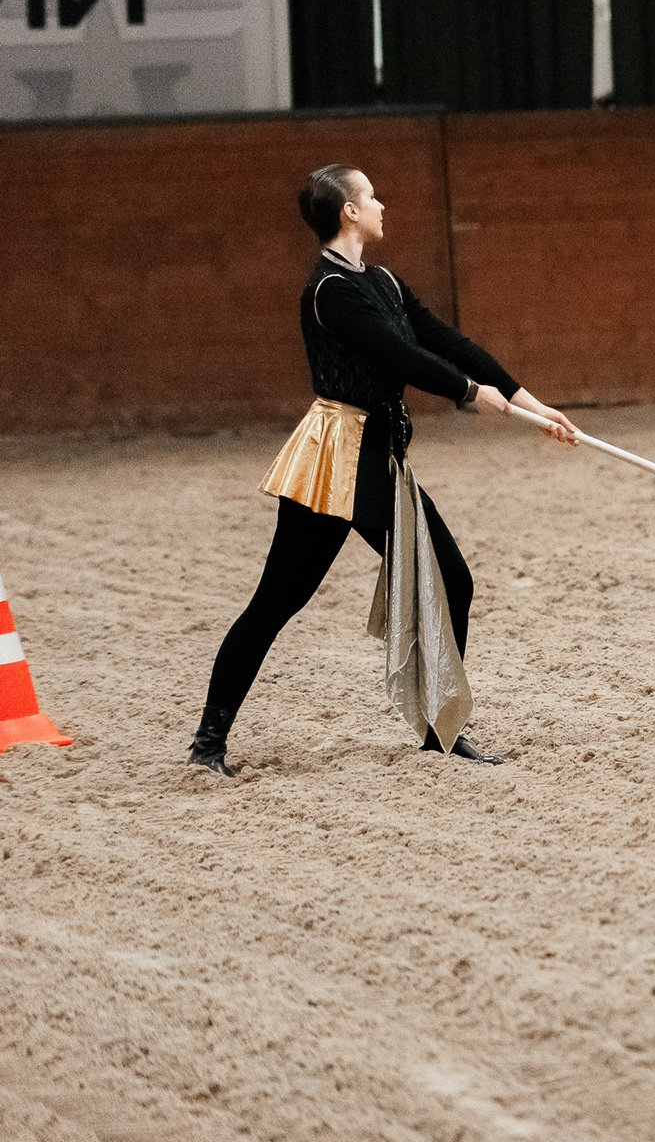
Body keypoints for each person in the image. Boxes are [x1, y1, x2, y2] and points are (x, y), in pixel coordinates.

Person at [189, 166, 578, 777]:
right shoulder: (329, 291)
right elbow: (400, 358)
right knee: (276, 602)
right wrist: (471, 394)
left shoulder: (385, 283)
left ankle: (441, 731)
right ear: (348, 211)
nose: (381, 205)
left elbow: (449, 343)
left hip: (381, 460)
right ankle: (208, 743)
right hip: (332, 463)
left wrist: (530, 403)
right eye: (370, 196)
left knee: (451, 578)